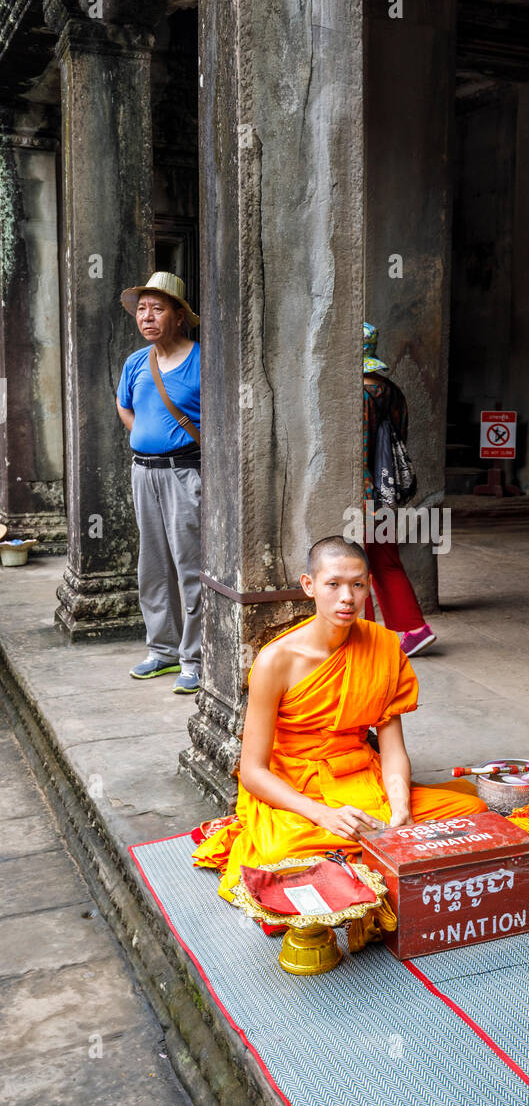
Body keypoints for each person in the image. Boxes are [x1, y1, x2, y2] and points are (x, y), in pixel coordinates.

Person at [192, 536, 485, 905]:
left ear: (368, 587)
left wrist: (401, 810)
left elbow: (393, 750)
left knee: (472, 812)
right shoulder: (276, 661)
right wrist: (322, 815)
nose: (346, 597)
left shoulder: (384, 647)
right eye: (333, 584)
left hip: (362, 778)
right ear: (309, 586)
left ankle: (356, 860)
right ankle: (370, 858)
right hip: (299, 790)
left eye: (357, 585)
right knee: (275, 853)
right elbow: (252, 772)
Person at [116, 271, 202, 694]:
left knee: (190, 565)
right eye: (142, 309)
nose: (147, 316)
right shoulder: (136, 362)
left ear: (180, 316)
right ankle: (163, 650)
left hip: (186, 474)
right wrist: (143, 439)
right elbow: (124, 405)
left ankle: (195, 656)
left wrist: (172, 444)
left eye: (158, 308)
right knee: (152, 566)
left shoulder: (201, 359)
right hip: (143, 473)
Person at [362, 323, 436, 656]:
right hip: (387, 491)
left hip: (365, 494)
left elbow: (360, 450)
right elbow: (398, 442)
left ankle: (359, 636)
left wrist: (364, 497)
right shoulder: (391, 390)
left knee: (352, 564)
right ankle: (413, 630)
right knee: (386, 562)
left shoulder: (359, 394)